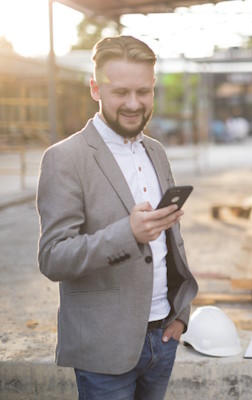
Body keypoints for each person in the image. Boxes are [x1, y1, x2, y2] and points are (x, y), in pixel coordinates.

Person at [36, 35, 198, 399]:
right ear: (95, 89)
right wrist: (128, 233)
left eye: (143, 92)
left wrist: (182, 312)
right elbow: (53, 258)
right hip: (103, 350)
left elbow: (172, 246)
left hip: (163, 338)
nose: (133, 104)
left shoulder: (155, 151)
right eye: (120, 92)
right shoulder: (65, 159)